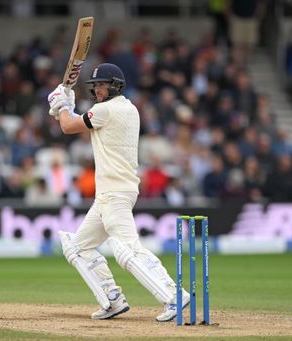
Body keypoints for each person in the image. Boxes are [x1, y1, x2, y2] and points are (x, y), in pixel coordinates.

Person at [47, 63, 188, 321]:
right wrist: (66, 106)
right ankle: (112, 299)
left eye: (102, 85)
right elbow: (83, 121)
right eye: (95, 86)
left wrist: (62, 106)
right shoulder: (129, 108)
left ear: (115, 85)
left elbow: (68, 127)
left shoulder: (105, 110)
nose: (98, 90)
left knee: (126, 250)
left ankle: (173, 295)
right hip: (110, 194)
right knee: (78, 248)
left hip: (115, 192)